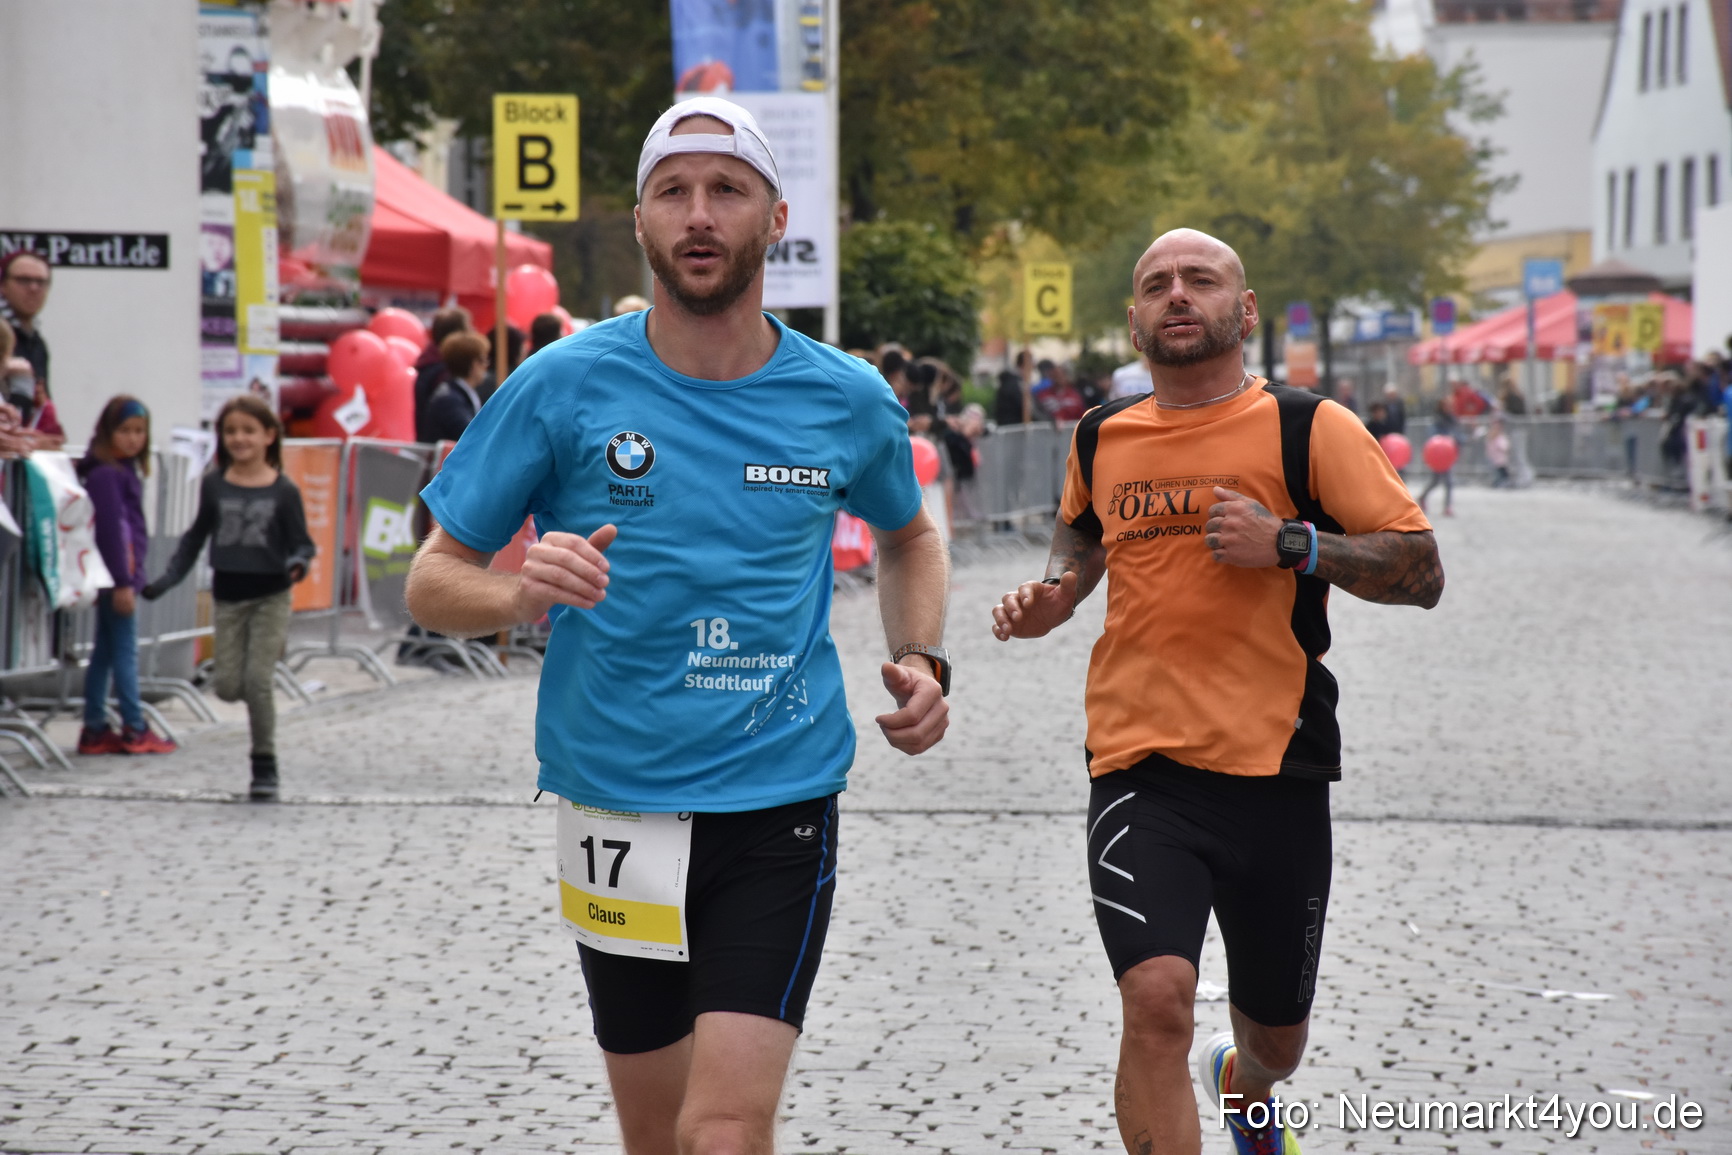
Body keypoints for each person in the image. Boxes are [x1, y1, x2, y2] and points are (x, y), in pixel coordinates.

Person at [403, 95, 951, 1155]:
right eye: (674, 191)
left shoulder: (845, 397)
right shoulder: (561, 385)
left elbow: (909, 537)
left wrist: (919, 655)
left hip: (777, 803)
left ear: (773, 217)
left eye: (726, 190)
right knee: (658, 1139)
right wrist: (521, 594)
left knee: (727, 1130)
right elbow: (431, 582)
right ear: (644, 219)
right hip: (616, 811)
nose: (699, 213)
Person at [990, 228, 1442, 1155]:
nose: (1177, 295)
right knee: (1155, 1003)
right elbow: (1080, 532)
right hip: (1139, 767)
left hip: (1276, 767)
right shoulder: (1100, 433)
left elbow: (1423, 568)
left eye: (1201, 280)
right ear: (1133, 320)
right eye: (1156, 284)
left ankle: (1246, 1085)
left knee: (1277, 1038)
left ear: (1245, 312)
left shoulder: (1309, 427)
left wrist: (1296, 543)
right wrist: (1056, 595)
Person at [144, 395, 315, 800]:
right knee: (226, 686)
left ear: (269, 436)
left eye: (248, 431)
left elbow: (302, 544)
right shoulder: (214, 485)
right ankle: (258, 733)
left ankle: (264, 764)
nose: (239, 439)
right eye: (231, 431)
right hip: (229, 597)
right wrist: (168, 578)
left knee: (257, 682)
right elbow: (194, 538)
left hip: (271, 595)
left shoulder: (284, 491)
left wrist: (297, 563)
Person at [75, 397, 178, 756]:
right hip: (116, 576)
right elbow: (113, 532)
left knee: (104, 651)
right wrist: (123, 581)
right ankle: (134, 726)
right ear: (108, 432)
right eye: (125, 430)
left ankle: (94, 727)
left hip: (118, 575)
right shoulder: (107, 474)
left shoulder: (121, 470)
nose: (133, 439)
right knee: (123, 651)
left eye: (139, 431)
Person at [0, 251, 66, 449]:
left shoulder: (37, 344)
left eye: (41, 282)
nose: (33, 288)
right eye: (23, 280)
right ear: (3, 285)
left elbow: (42, 404)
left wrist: (45, 438)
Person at [414, 307, 473, 444]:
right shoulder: (443, 374)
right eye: (468, 328)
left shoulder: (428, 364)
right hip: (440, 453)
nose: (472, 332)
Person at [423, 331, 489, 443]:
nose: (486, 365)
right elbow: (471, 435)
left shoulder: (455, 393)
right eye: (483, 360)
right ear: (473, 364)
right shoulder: (450, 400)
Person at [1418, 398, 1458, 516]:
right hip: (1438, 453)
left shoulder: (1452, 419)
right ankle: (1423, 497)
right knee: (1436, 481)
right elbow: (1433, 434)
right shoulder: (1437, 419)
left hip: (1447, 454)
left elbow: (1456, 433)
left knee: (1448, 482)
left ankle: (1447, 506)